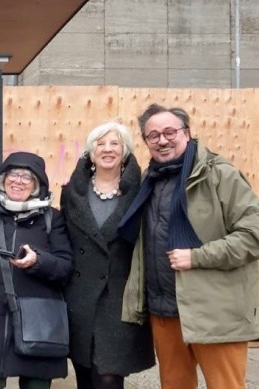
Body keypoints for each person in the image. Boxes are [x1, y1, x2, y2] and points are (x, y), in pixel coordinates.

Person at [118, 103, 259, 389]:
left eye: (170, 131)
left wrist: (198, 257)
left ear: (187, 132)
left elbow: (253, 234)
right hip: (164, 312)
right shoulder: (149, 181)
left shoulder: (219, 174)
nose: (162, 140)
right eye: (153, 135)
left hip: (216, 313)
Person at [0, 151, 74, 389]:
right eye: (12, 174)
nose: (18, 181)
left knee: (36, 386)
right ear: (2, 179)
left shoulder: (52, 219)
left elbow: (65, 267)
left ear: (37, 184)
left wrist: (39, 261)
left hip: (38, 321)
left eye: (26, 176)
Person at [60, 121, 154, 389]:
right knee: (86, 377)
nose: (107, 149)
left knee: (109, 378)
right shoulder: (71, 192)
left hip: (120, 298)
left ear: (125, 151)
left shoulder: (142, 192)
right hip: (80, 298)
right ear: (90, 153)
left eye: (115, 143)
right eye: (100, 144)